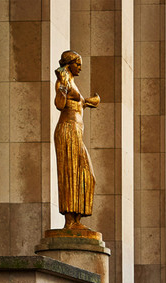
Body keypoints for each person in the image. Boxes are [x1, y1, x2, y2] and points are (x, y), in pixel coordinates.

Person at [53, 50, 100, 230]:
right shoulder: (64, 80)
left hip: (75, 132)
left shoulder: (72, 82)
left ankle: (76, 219)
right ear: (69, 64)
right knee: (71, 173)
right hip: (67, 131)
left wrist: (89, 102)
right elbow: (59, 104)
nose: (80, 67)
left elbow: (78, 103)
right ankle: (70, 222)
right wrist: (63, 88)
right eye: (77, 64)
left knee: (86, 176)